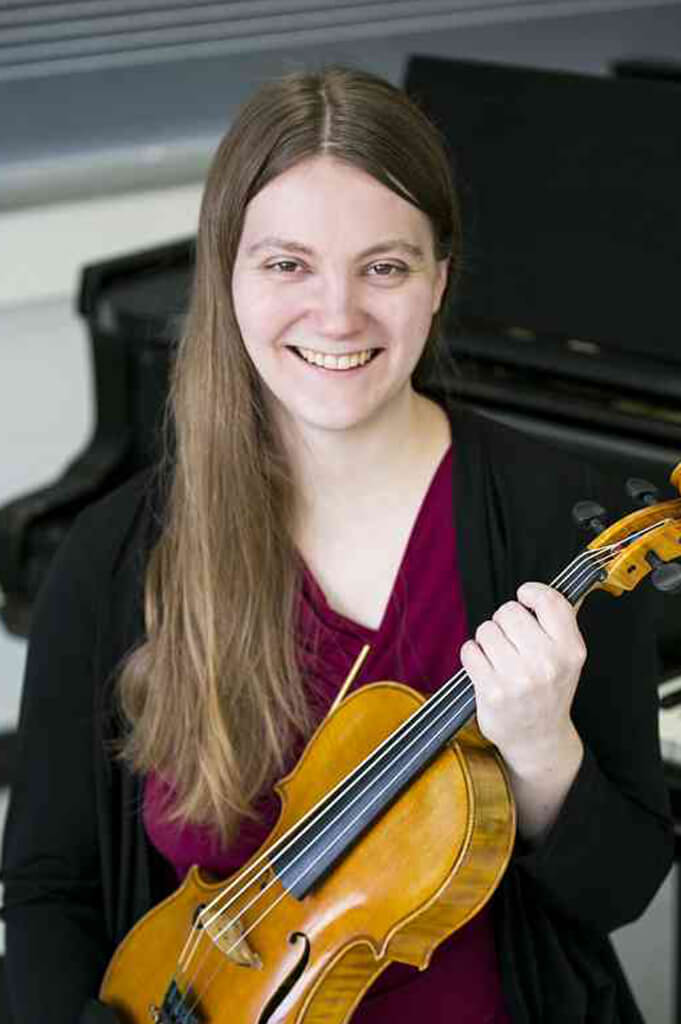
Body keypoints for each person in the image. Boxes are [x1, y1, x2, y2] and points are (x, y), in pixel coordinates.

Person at [1, 67, 673, 1024]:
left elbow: (619, 891)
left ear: (438, 280)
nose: (337, 315)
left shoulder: (556, 518)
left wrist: (541, 755)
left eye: (384, 267)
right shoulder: (116, 555)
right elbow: (47, 893)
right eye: (287, 265)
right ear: (225, 271)